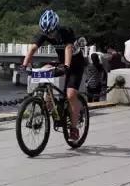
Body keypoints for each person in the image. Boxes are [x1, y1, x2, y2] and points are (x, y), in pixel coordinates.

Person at [21, 9, 86, 141]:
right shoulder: (44, 33)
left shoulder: (66, 31)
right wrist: (24, 64)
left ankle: (74, 128)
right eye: (46, 33)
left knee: (71, 94)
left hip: (75, 64)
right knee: (44, 69)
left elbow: (68, 48)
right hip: (62, 62)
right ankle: (47, 106)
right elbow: (33, 48)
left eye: (51, 32)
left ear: (56, 27)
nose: (49, 35)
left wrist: (67, 66)